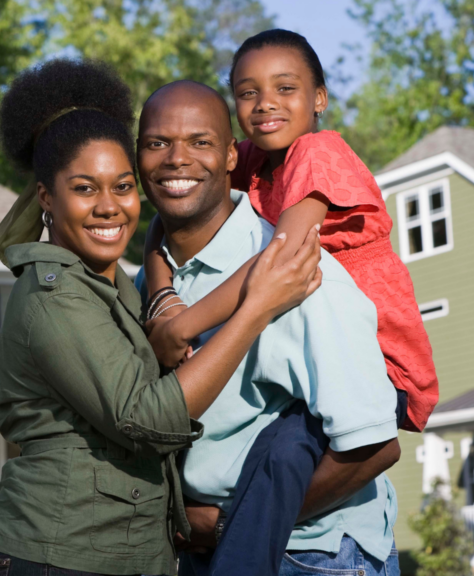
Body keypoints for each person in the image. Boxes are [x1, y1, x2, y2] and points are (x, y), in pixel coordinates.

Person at [0, 59, 323, 576]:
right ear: (46, 197)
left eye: (122, 187)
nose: (109, 207)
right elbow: (147, 420)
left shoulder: (117, 286)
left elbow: (154, 234)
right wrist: (256, 307)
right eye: (84, 189)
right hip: (46, 555)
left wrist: (166, 300)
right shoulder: (54, 296)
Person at [136, 79, 403, 576]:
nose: (177, 158)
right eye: (157, 143)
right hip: (198, 552)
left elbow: (374, 446)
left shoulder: (299, 274)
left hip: (313, 554)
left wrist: (228, 525)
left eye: (200, 142)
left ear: (233, 157)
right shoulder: (148, 286)